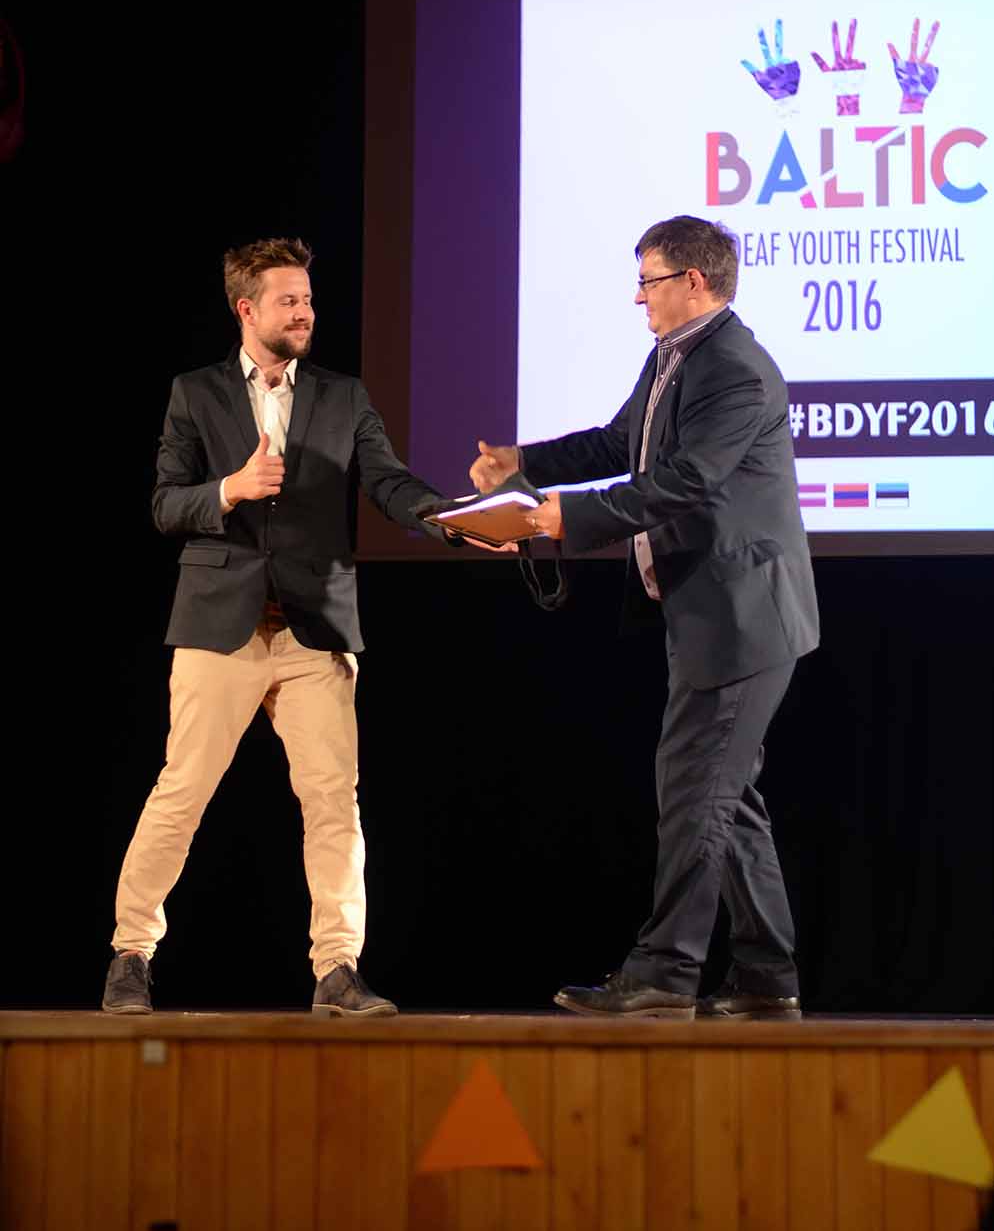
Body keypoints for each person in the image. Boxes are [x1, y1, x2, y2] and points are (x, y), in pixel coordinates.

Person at [471, 215, 819, 1019]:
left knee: (697, 790)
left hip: (745, 618)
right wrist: (524, 463)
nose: (638, 298)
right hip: (712, 614)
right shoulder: (674, 356)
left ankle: (665, 972)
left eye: (648, 281)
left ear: (694, 281)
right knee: (726, 795)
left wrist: (568, 517)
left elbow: (687, 481)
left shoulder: (735, 369)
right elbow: (621, 444)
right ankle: (767, 979)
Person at [103, 237, 451, 1017]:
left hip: (313, 630)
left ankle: (338, 970)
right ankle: (131, 954)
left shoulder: (342, 396)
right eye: (289, 301)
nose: (305, 313)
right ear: (246, 309)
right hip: (218, 624)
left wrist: (451, 519)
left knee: (333, 802)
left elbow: (389, 483)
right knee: (182, 791)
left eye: (309, 300)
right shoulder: (195, 393)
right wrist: (230, 488)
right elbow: (165, 504)